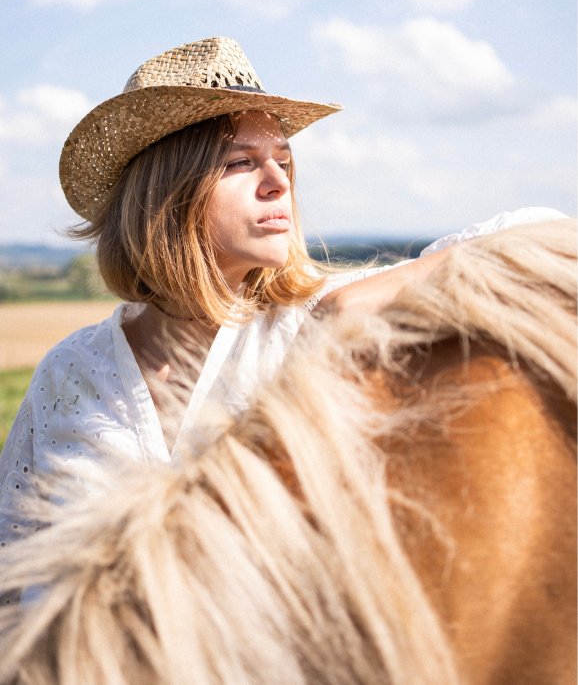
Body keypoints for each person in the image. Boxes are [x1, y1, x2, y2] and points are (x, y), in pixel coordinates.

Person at [0, 36, 564, 551]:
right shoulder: (70, 374)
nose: (279, 182)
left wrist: (346, 306)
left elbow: (547, 231)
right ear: (166, 195)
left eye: (284, 161)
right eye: (241, 162)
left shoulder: (313, 324)